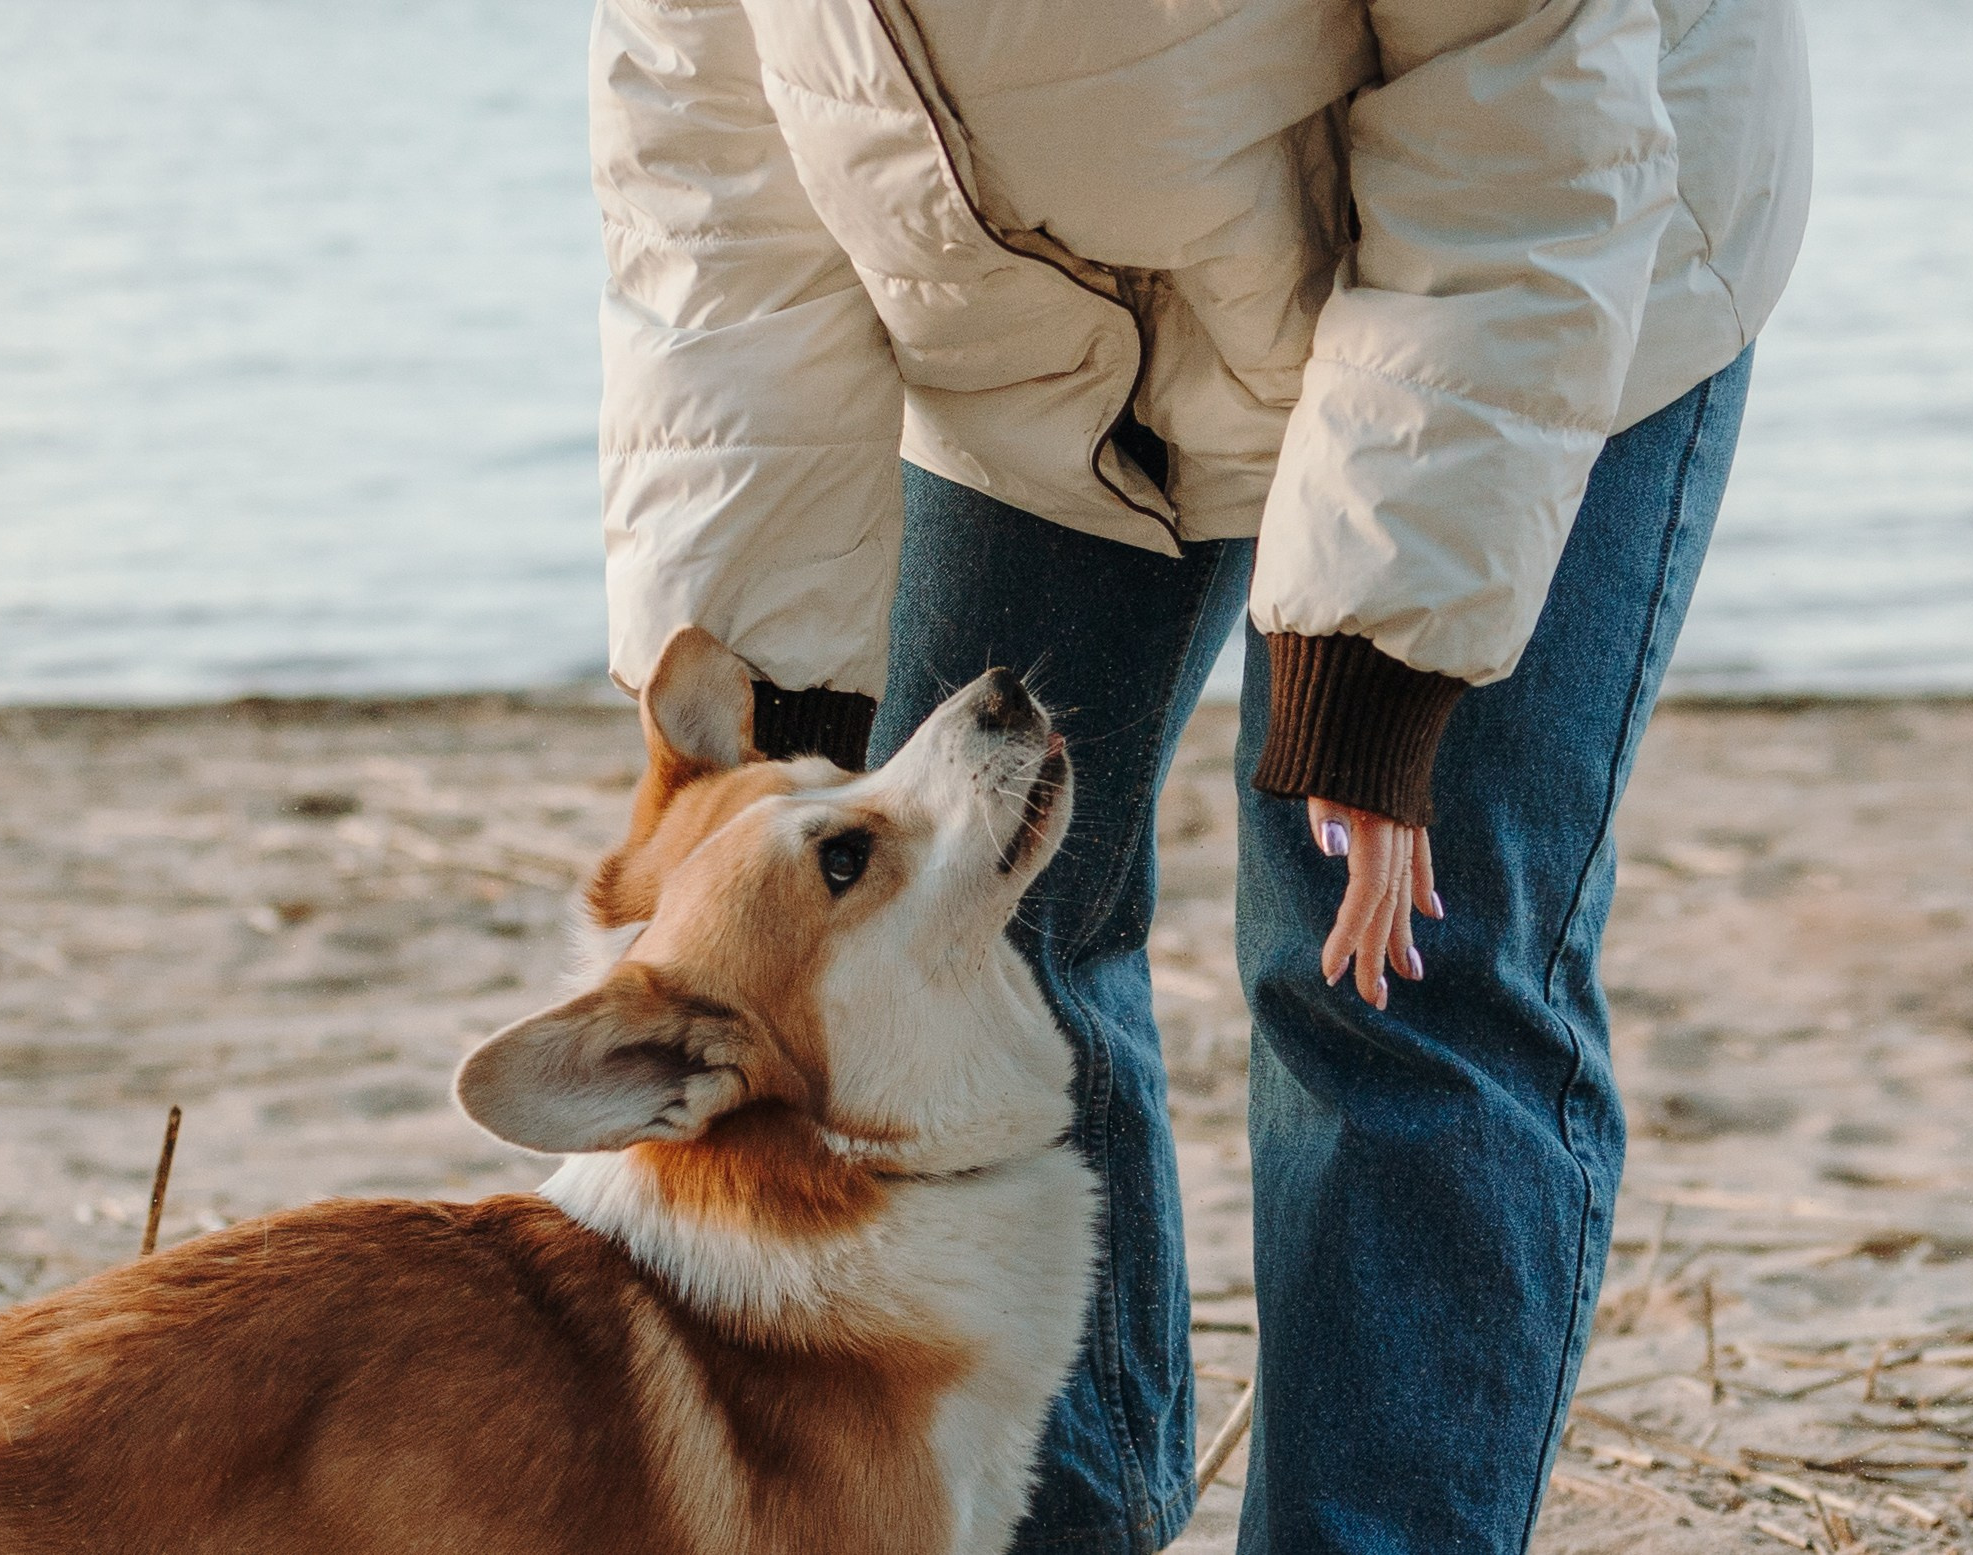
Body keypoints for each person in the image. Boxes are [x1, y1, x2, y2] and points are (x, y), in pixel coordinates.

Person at [586, 0, 1811, 1548]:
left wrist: (1389, 658)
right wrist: (775, 717)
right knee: (949, 940)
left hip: (1538, 237)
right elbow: (712, 197)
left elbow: (1519, 108)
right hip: (1038, 340)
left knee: (1398, 967)